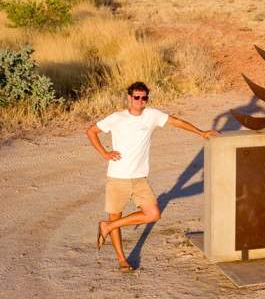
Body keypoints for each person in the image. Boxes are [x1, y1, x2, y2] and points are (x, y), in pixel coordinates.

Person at [86, 81, 218, 272]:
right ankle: (122, 260)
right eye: (137, 97)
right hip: (118, 178)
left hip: (140, 179)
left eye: (144, 97)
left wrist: (201, 132)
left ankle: (107, 226)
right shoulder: (117, 118)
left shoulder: (152, 115)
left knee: (153, 214)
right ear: (129, 98)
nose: (140, 101)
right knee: (116, 215)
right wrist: (104, 154)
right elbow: (91, 131)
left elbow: (177, 122)